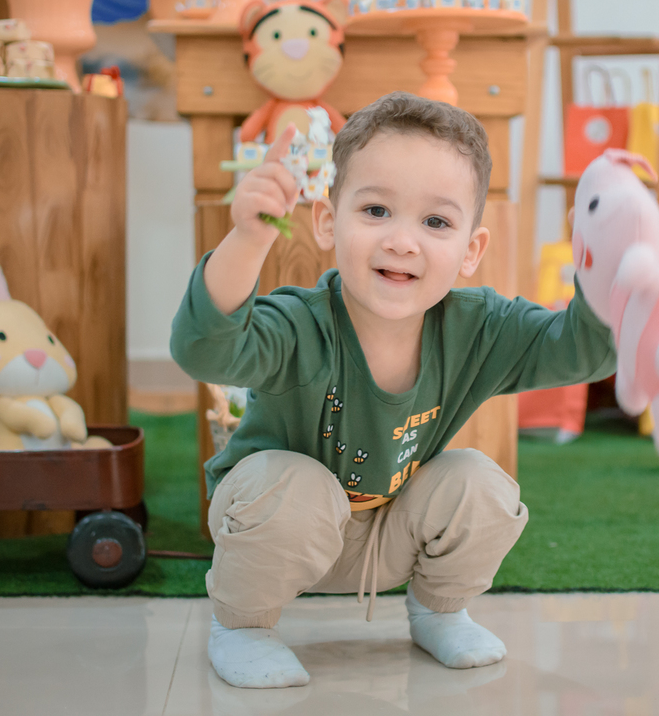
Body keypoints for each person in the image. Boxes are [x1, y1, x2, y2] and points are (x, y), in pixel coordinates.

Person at [171, 91, 617, 689]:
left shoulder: (480, 328)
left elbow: (584, 351)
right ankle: (243, 626)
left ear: (470, 251)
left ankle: (439, 612)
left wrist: (604, 261)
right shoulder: (301, 324)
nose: (402, 241)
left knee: (480, 483)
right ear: (327, 222)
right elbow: (202, 350)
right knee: (296, 486)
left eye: (436, 222)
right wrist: (249, 238)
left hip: (387, 539)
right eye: (376, 210)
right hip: (274, 533)